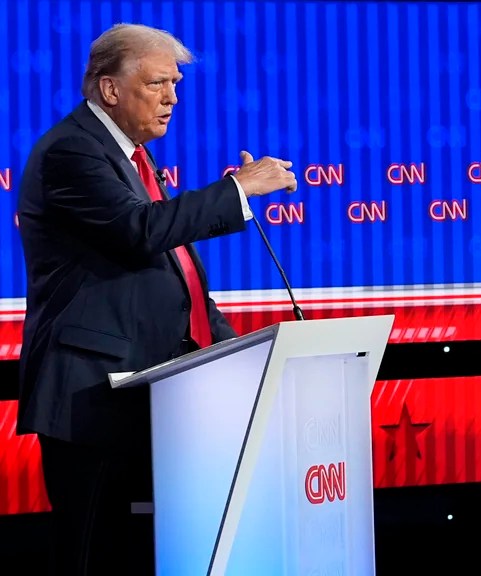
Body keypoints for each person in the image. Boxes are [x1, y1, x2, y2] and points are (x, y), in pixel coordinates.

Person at [16, 23, 297, 575]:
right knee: (94, 557)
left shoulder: (131, 156)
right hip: (92, 397)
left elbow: (175, 276)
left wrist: (240, 354)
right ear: (110, 88)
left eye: (175, 84)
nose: (172, 98)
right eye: (157, 83)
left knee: (146, 554)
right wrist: (239, 189)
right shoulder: (72, 151)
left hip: (148, 394)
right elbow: (139, 230)